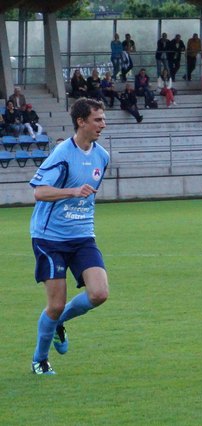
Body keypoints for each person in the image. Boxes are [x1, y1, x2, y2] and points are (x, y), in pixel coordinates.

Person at [29, 97, 110, 375]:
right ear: (81, 122)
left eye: (103, 118)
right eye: (97, 119)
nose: (103, 124)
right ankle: (40, 359)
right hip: (50, 238)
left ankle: (58, 322)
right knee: (55, 304)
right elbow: (39, 192)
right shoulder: (63, 153)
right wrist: (72, 191)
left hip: (82, 235)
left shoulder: (102, 156)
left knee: (99, 293)